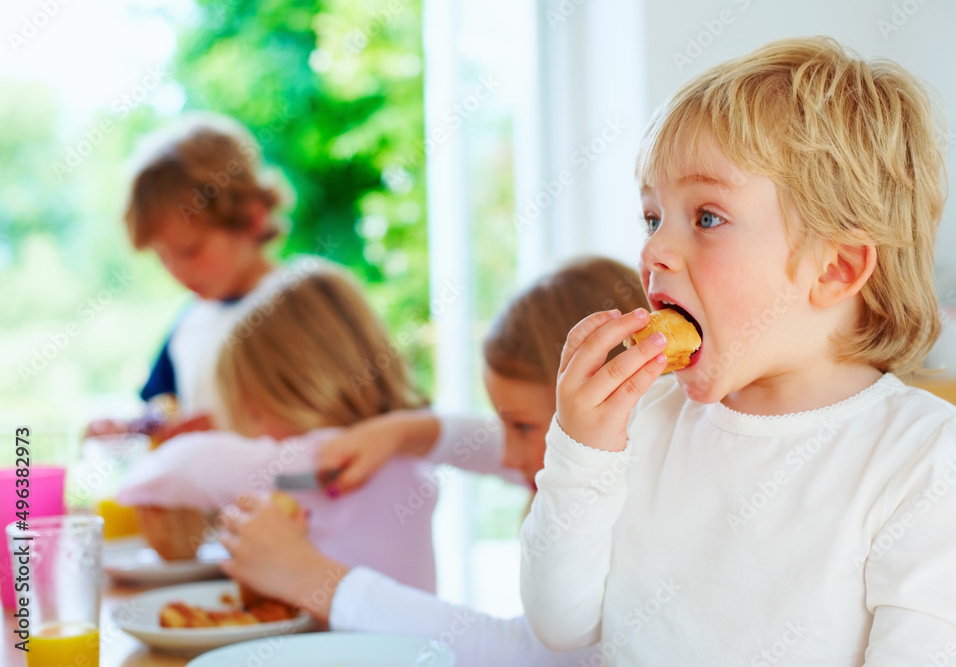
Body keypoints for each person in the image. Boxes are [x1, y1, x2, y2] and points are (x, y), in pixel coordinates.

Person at [519, 36, 956, 666]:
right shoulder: (643, 424)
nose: (654, 251)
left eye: (707, 217)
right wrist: (580, 451)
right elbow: (561, 623)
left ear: (834, 269)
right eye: (651, 217)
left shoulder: (929, 458)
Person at [218, 257, 648, 665]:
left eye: (520, 427)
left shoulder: (638, 520)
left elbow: (531, 657)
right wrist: (407, 432)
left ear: (615, 403)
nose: (506, 453)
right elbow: (493, 445)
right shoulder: (629, 461)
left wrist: (314, 579)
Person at [118, 261, 438, 592]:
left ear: (298, 392)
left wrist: (128, 473)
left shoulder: (323, 461)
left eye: (256, 415)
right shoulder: (407, 449)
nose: (257, 434)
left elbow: (178, 469)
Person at [86, 113, 295, 440]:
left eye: (189, 251)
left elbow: (338, 417)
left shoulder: (306, 306)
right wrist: (131, 428)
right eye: (161, 256)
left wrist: (226, 425)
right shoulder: (190, 322)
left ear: (252, 219)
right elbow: (161, 406)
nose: (176, 272)